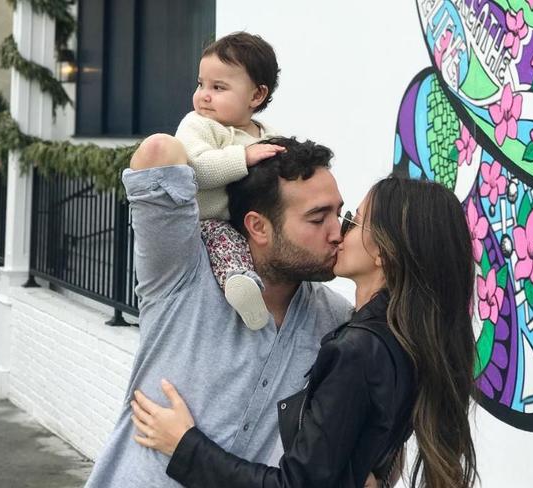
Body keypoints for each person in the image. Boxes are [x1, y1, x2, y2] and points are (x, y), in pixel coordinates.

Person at [131, 176, 479, 488]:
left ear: (384, 254)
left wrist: (184, 444)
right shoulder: (404, 341)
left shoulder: (359, 350)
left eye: (353, 222)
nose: (339, 233)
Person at [83, 136, 353, 488]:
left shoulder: (335, 319)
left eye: (339, 213)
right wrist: (236, 157)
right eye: (318, 219)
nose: (337, 233)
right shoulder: (181, 273)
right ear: (258, 227)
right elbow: (158, 153)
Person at [176, 31, 284, 330]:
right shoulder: (198, 124)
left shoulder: (266, 134)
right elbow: (196, 169)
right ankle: (241, 287)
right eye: (201, 84)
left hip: (251, 224)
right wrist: (244, 157)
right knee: (225, 246)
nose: (204, 95)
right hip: (209, 221)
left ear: (256, 95)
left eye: (218, 87)